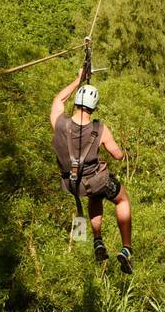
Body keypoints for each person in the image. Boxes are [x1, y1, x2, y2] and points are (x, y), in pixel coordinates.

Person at [50, 59, 133, 273]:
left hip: (72, 184)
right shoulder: (100, 129)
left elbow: (58, 99)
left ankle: (98, 241)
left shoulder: (58, 123)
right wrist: (123, 153)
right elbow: (117, 154)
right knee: (121, 199)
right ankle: (126, 248)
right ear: (94, 107)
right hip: (95, 180)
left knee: (95, 196)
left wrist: (77, 80)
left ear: (76, 101)